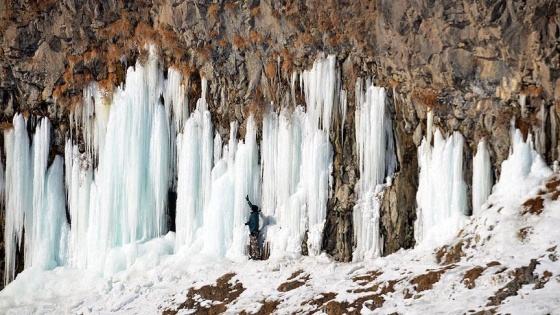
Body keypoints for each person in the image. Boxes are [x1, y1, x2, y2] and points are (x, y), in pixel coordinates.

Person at [245, 195, 261, 260]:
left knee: (255, 243)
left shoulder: (254, 215)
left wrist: (253, 231)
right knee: (252, 243)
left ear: (253, 210)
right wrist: (248, 201)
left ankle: (257, 255)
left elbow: (255, 224)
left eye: (251, 208)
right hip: (253, 231)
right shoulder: (254, 213)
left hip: (254, 232)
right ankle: (254, 255)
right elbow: (252, 207)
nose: (250, 209)